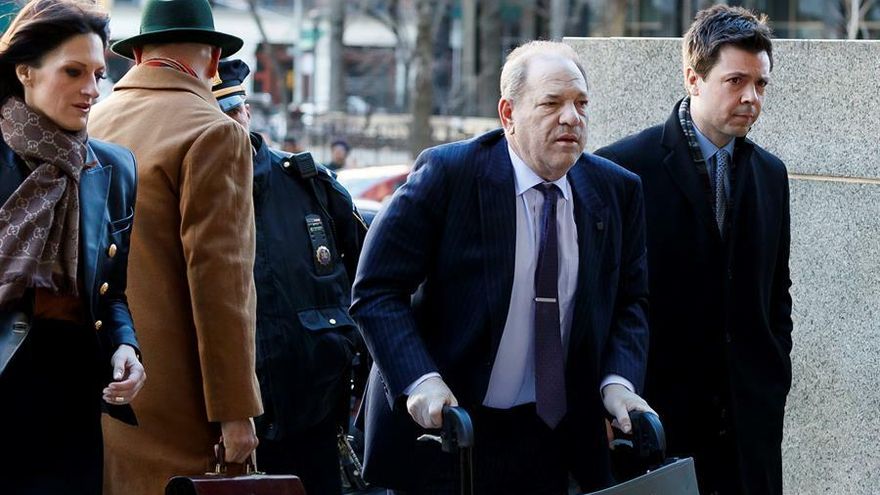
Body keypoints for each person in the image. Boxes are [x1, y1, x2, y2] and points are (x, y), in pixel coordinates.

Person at [351, 40, 653, 494]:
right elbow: (375, 290)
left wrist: (618, 382)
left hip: (552, 438)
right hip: (450, 428)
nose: (571, 117)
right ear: (508, 114)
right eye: (551, 103)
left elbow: (632, 301)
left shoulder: (615, 190)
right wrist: (420, 380)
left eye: (581, 103)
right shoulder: (450, 174)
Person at [594, 6, 792, 495]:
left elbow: (776, 295)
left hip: (750, 433)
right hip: (657, 425)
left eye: (761, 84)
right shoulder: (622, 168)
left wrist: (772, 381)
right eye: (736, 81)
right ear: (693, 79)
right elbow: (600, 302)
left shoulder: (771, 174)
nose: (751, 97)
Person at [87, 0, 262, 492]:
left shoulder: (92, 121)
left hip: (107, 390)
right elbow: (221, 288)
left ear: (139, 54)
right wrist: (236, 412)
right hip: (184, 408)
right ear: (213, 59)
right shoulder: (214, 132)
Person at [0, 1, 146, 493]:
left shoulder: (114, 167)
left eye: (99, 75)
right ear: (25, 71)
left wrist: (125, 345)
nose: (91, 90)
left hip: (74, 398)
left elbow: (111, 291)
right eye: (73, 71)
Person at [212, 59, 366, 495]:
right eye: (215, 117)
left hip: (315, 414)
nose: (229, 127)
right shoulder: (186, 190)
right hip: (226, 423)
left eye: (234, 112)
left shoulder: (308, 185)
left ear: (247, 112)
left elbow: (372, 285)